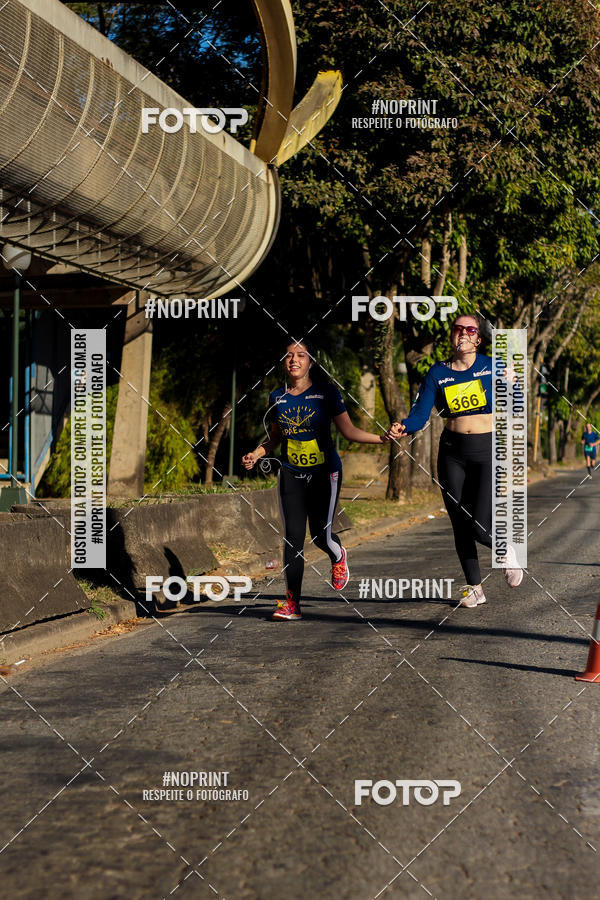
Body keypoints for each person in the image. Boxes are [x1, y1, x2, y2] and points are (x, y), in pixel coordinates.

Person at [242, 339, 391, 620]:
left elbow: (348, 431)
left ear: (310, 361)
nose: (294, 360)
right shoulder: (277, 397)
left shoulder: (326, 393)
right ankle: (293, 605)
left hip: (325, 474)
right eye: (289, 356)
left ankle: (337, 555)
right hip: (290, 474)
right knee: (292, 540)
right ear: (284, 362)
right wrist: (257, 453)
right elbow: (275, 437)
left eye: (300, 355)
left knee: (321, 535)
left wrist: (381, 438)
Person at [386, 314, 523, 608]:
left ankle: (505, 549)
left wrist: (513, 383)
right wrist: (404, 426)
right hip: (452, 453)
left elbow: (516, 404)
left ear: (478, 338)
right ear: (452, 336)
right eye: (457, 328)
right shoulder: (437, 373)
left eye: (469, 329)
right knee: (459, 524)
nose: (462, 333)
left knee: (477, 523)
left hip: (486, 451)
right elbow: (421, 415)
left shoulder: (492, 366)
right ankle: (475, 588)